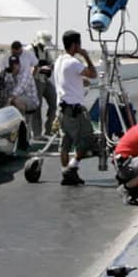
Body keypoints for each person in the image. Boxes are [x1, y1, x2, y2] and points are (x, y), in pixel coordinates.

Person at [52, 29, 97, 185]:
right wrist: (86, 56)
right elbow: (93, 73)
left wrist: (80, 81)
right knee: (88, 138)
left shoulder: (60, 61)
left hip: (62, 109)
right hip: (74, 110)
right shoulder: (74, 62)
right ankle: (72, 168)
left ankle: (66, 172)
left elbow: (68, 79)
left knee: (65, 142)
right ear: (75, 45)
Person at [4, 39, 41, 119]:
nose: (16, 67)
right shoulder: (10, 76)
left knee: (14, 100)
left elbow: (19, 89)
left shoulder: (25, 73)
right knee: (9, 100)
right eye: (13, 65)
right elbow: (8, 89)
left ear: (19, 64)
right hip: (20, 98)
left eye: (17, 64)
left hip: (31, 100)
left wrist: (9, 100)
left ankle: (22, 121)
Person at [32, 30, 57, 131]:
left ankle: (49, 129)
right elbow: (27, 67)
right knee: (37, 107)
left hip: (44, 79)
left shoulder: (45, 50)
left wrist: (50, 67)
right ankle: (37, 133)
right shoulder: (30, 50)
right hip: (35, 81)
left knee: (54, 102)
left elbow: (51, 63)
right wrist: (40, 68)